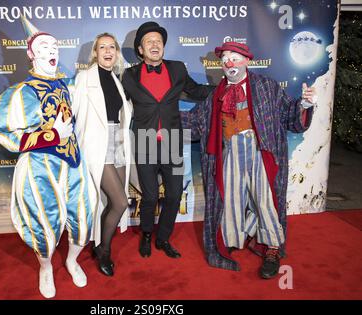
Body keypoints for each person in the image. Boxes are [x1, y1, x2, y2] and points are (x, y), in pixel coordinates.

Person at [181, 41, 317, 279]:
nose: (229, 63)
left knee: (265, 200)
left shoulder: (267, 87)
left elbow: (289, 116)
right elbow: (196, 123)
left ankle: (272, 247)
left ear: (246, 61)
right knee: (231, 199)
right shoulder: (217, 94)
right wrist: (163, 117)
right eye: (225, 60)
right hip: (230, 152)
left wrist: (304, 104)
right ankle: (234, 239)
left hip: (259, 150)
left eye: (234, 58)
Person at [0, 30, 93, 298]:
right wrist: (51, 135)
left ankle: (71, 260)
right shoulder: (21, 92)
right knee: (43, 226)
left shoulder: (69, 85)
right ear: (31, 54)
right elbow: (0, 130)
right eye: (44, 46)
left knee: (83, 219)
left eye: (55, 46)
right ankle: (45, 268)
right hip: (39, 168)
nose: (52, 51)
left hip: (73, 163)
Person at [122, 21, 212, 259]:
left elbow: (197, 91)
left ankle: (163, 238)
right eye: (149, 41)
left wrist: (225, 86)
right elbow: (114, 102)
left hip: (172, 140)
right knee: (150, 196)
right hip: (145, 141)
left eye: (158, 41)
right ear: (140, 50)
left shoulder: (178, 69)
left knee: (173, 195)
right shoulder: (128, 76)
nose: (155, 45)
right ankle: (147, 235)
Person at [71, 33, 132, 277]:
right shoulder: (84, 78)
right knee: (120, 202)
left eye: (112, 47)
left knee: (110, 202)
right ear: (95, 53)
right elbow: (72, 114)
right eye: (102, 47)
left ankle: (100, 242)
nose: (108, 51)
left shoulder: (117, 79)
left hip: (118, 141)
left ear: (116, 52)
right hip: (97, 144)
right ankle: (103, 249)